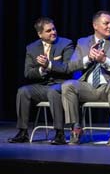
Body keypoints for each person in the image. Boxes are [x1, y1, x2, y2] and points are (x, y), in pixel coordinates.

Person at [62, 10, 110, 145]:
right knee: (67, 85)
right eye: (106, 23)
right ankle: (76, 128)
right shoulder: (82, 42)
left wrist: (104, 60)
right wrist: (88, 58)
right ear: (95, 25)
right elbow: (71, 66)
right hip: (88, 87)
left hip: (108, 87)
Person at [9, 17, 73, 145]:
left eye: (54, 29)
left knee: (53, 92)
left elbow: (68, 68)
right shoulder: (31, 48)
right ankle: (23, 132)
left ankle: (59, 133)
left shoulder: (66, 44)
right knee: (23, 91)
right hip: (42, 86)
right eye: (48, 31)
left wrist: (49, 64)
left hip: (62, 84)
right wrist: (41, 69)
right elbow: (28, 73)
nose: (53, 32)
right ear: (40, 34)